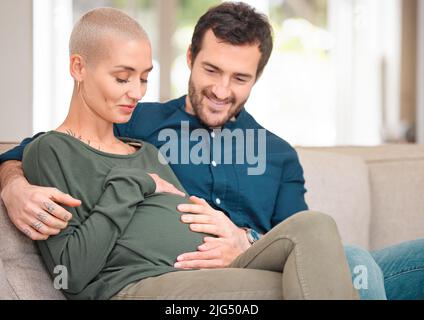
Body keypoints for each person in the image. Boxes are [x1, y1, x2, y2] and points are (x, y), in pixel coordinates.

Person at [0, 2, 422, 300]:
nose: (222, 90)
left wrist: (243, 241)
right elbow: (43, 147)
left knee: (341, 247)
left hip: (255, 260)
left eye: (240, 77)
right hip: (177, 279)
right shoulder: (137, 121)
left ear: (258, 77)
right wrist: (12, 183)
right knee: (351, 266)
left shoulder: (278, 155)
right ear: (189, 58)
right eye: (211, 70)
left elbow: (299, 241)